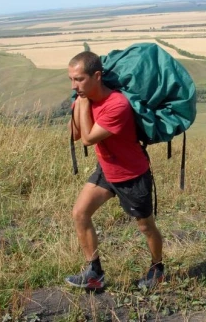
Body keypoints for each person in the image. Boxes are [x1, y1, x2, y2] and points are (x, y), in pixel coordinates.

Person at [65, 51, 164, 290]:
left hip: (132, 175)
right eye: (71, 79)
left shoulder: (117, 105)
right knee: (80, 214)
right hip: (107, 170)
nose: (74, 85)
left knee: (145, 226)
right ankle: (94, 273)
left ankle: (157, 267)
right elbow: (75, 134)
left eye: (79, 79)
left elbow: (87, 139)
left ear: (97, 76)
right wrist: (80, 103)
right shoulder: (84, 99)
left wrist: (84, 103)